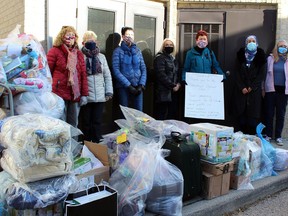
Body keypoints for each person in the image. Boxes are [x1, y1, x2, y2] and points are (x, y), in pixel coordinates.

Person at [47, 26, 88, 128]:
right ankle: (62, 143)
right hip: (59, 93)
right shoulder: (54, 51)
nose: (70, 38)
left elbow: (83, 74)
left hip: (75, 94)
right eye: (68, 35)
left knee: (73, 124)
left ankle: (72, 143)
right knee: (60, 123)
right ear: (62, 37)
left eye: (73, 36)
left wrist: (84, 94)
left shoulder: (79, 54)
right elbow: (47, 72)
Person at [80, 30, 113, 143]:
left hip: (99, 95)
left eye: (93, 40)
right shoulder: (80, 56)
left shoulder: (101, 57)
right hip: (86, 95)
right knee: (86, 122)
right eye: (88, 40)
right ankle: (87, 143)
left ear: (97, 42)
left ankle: (97, 142)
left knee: (97, 121)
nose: (91, 42)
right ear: (83, 43)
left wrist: (109, 91)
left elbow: (107, 75)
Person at [233, 35, 266, 135]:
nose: (251, 43)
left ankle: (252, 137)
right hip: (241, 91)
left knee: (253, 117)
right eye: (249, 41)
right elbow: (236, 73)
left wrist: (252, 87)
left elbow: (261, 75)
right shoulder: (240, 56)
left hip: (254, 91)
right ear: (246, 44)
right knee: (241, 117)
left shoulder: (261, 57)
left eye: (253, 41)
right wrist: (242, 87)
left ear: (256, 43)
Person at [112, 26, 147, 112]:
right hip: (124, 87)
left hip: (137, 86)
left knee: (139, 114)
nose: (130, 37)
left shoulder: (138, 51)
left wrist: (141, 85)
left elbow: (143, 68)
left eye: (132, 35)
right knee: (125, 113)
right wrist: (128, 86)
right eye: (127, 35)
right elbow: (116, 70)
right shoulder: (118, 51)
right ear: (123, 37)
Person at [263, 39, 288, 146]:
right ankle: (268, 135)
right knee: (269, 113)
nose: (283, 48)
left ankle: (278, 136)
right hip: (271, 90)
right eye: (281, 46)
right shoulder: (270, 58)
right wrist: (262, 88)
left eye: (285, 46)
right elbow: (264, 75)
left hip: (283, 92)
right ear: (276, 47)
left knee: (281, 115)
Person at [153, 38, 181, 120]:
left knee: (171, 115)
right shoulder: (159, 58)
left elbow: (177, 73)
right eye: (167, 45)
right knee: (162, 114)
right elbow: (161, 74)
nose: (169, 46)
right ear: (163, 47)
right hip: (163, 92)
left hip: (174, 92)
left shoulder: (174, 59)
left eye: (171, 45)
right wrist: (172, 85)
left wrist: (178, 84)